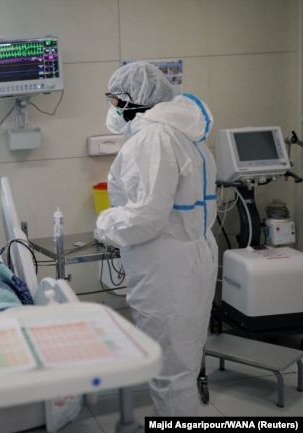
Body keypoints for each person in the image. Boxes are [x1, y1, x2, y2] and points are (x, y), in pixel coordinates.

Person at [94, 62, 218, 416]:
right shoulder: (182, 133)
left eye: (116, 100)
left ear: (136, 101)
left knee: (169, 370)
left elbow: (146, 216)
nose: (113, 108)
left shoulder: (153, 139)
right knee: (183, 362)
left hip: (167, 265)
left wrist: (104, 224)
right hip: (191, 255)